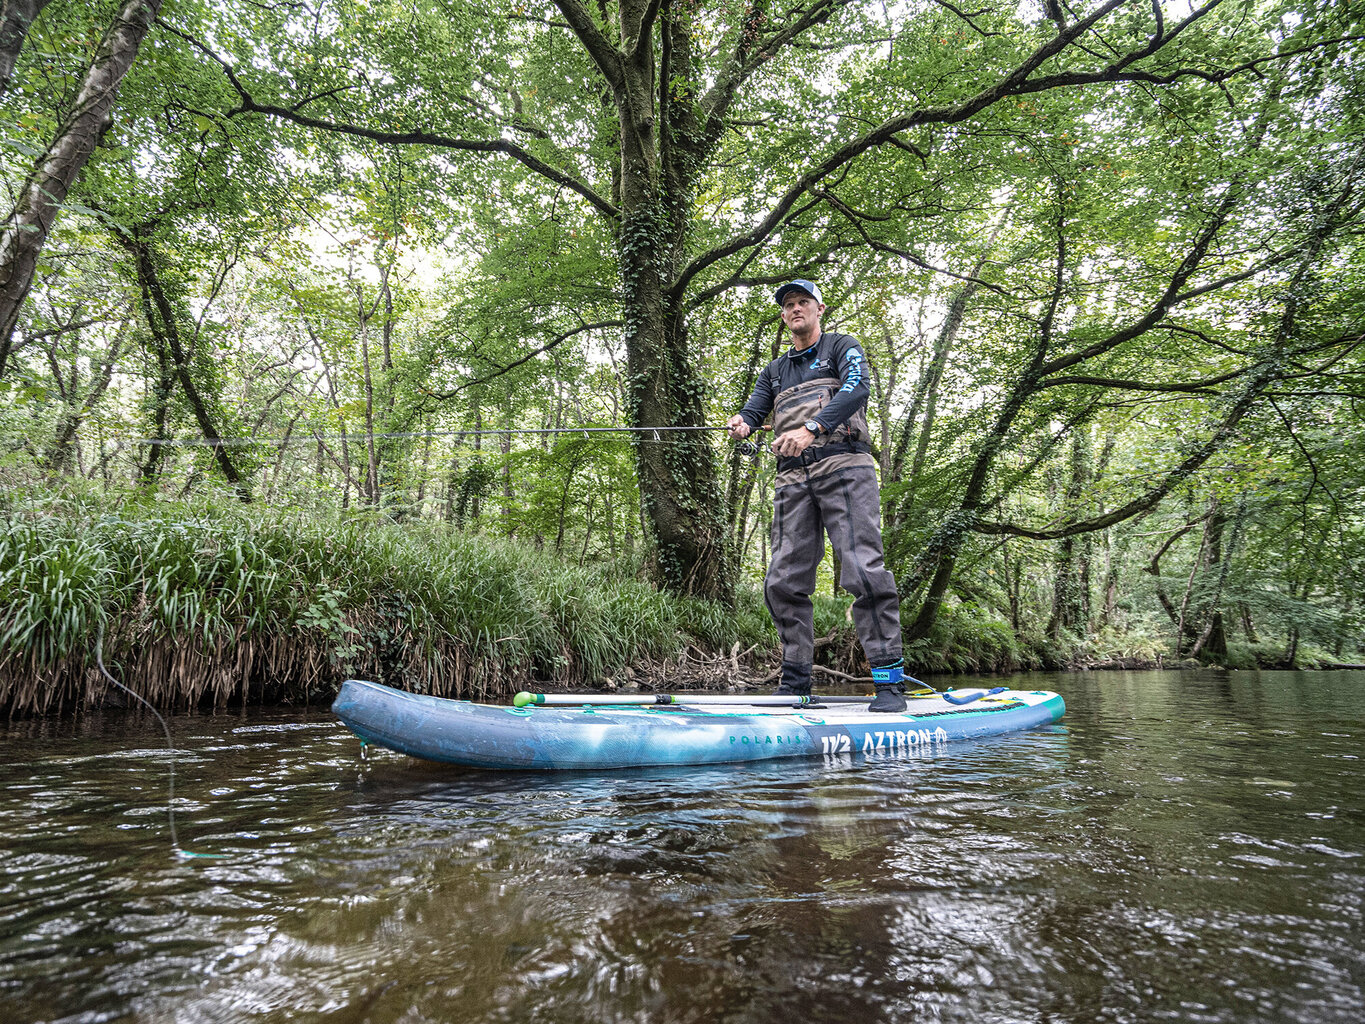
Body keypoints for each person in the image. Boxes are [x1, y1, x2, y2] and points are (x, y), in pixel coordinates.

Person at [728, 279, 908, 712]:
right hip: (791, 481)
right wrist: (743, 422)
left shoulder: (841, 346)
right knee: (782, 581)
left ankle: (888, 684)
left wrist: (812, 428)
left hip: (846, 468)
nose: (795, 309)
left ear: (819, 308)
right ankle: (795, 683)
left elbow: (857, 388)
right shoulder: (774, 370)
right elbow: (755, 409)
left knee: (863, 571)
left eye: (802, 302)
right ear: (784, 315)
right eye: (788, 305)